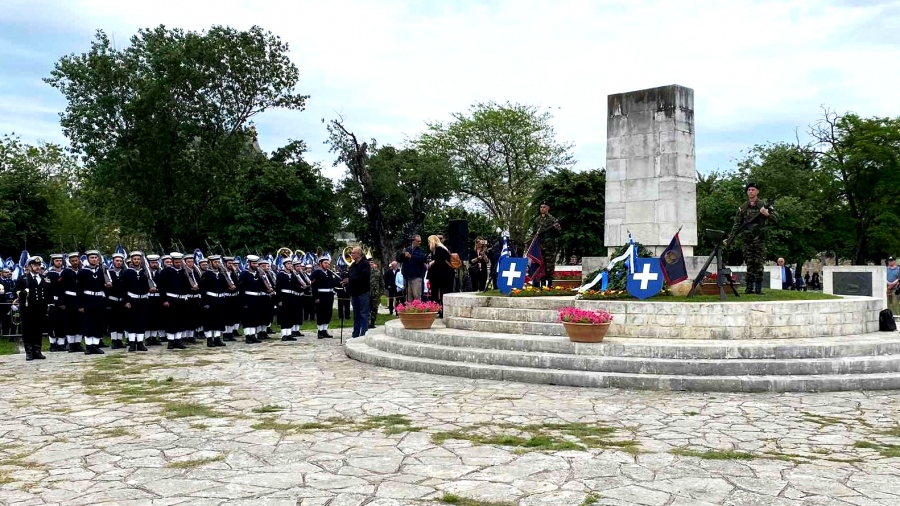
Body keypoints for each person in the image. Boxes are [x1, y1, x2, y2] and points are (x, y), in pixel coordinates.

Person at [727, 182, 775, 295]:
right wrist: (731, 237)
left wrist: (767, 214)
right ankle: (749, 288)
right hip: (747, 240)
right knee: (749, 263)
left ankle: (758, 288)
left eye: (753, 189)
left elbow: (777, 219)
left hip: (759, 239)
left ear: (757, 192)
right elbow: (737, 224)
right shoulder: (743, 207)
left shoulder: (763, 205)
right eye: (749, 190)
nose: (750, 192)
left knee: (758, 263)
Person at [14, 256, 51, 361]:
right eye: (35, 265)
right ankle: (29, 352)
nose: (38, 267)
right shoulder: (23, 278)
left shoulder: (44, 278)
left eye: (39, 265)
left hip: (40, 308)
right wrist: (22, 293)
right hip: (27, 308)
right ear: (29, 266)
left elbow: (49, 293)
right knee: (28, 330)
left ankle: (37, 351)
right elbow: (14, 290)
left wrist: (49, 304)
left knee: (38, 329)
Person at [78, 250, 111, 355]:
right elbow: (79, 289)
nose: (94, 259)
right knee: (88, 323)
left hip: (99, 300)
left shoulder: (102, 271)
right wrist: (80, 304)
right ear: (88, 259)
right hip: (87, 300)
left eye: (96, 258)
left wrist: (107, 286)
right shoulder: (83, 271)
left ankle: (95, 345)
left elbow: (106, 287)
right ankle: (88, 346)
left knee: (98, 323)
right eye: (92, 258)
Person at [122, 251, 152, 352]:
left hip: (143, 300)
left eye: (138, 259)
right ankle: (132, 343)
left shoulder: (145, 272)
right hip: (131, 300)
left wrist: (151, 288)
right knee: (132, 322)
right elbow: (123, 288)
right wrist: (126, 301)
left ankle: (140, 343)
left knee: (141, 321)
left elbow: (149, 284)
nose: (136, 261)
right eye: (134, 259)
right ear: (131, 260)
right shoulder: (127, 272)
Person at [157, 252, 188, 350]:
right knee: (171, 320)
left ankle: (178, 340)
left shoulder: (184, 272)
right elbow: (161, 287)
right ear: (173, 262)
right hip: (170, 299)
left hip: (182, 299)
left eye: (180, 262)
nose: (178, 264)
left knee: (180, 320)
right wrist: (164, 299)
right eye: (176, 262)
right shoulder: (166, 272)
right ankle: (170, 341)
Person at [342, 247, 371, 338]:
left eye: (353, 253)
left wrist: (350, 279)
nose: (352, 255)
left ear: (359, 254)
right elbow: (350, 275)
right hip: (354, 292)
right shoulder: (353, 265)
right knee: (356, 314)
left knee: (363, 313)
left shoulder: (365, 264)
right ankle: (355, 333)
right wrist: (345, 279)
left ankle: (363, 333)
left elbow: (363, 277)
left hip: (363, 292)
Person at [532, 201, 561, 288]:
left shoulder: (553, 220)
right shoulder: (537, 220)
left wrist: (557, 228)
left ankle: (549, 284)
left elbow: (559, 233)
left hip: (549, 247)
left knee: (549, 265)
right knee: (541, 265)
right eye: (541, 207)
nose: (542, 209)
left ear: (548, 208)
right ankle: (542, 284)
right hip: (539, 246)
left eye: (544, 207)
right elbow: (533, 233)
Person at [310, 256, 339, 339]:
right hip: (321, 295)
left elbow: (333, 283)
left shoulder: (329, 273)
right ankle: (320, 331)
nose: (327, 265)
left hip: (329, 295)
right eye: (325, 263)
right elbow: (314, 286)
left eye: (328, 263)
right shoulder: (316, 273)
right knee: (320, 313)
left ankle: (325, 330)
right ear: (320, 263)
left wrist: (341, 282)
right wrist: (316, 297)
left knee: (328, 313)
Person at [427, 235, 454, 316]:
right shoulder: (441, 249)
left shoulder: (439, 249)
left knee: (442, 293)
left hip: (442, 276)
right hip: (443, 275)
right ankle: (441, 310)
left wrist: (433, 262)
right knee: (441, 293)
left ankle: (441, 311)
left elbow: (440, 262)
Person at [45, 254, 67, 351]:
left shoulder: (65, 272)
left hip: (63, 300)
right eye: (57, 260)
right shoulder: (49, 273)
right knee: (51, 323)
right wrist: (49, 301)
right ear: (53, 261)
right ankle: (53, 344)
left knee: (62, 322)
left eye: (60, 260)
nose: (59, 262)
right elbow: (46, 288)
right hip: (52, 300)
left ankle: (61, 343)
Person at [275, 258, 299, 342]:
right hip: (284, 297)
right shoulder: (280, 274)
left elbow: (296, 285)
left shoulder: (293, 274)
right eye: (288, 264)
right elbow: (278, 288)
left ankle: (289, 334)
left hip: (291, 297)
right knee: (284, 316)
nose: (290, 265)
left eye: (291, 264)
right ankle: (284, 334)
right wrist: (279, 300)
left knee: (291, 315)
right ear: (284, 265)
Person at [107, 253, 127, 349]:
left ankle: (119, 340)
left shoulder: (125, 273)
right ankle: (114, 340)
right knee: (113, 322)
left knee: (121, 321)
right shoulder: (108, 273)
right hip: (112, 301)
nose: (119, 263)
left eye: (120, 261)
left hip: (122, 301)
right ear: (113, 261)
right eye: (117, 261)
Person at [398, 235, 426, 302]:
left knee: (416, 296)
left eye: (420, 241)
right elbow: (399, 260)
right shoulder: (407, 249)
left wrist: (411, 256)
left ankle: (418, 310)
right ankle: (409, 311)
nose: (419, 242)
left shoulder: (421, 250)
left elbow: (422, 259)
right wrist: (402, 254)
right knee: (408, 298)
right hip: (407, 277)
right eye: (418, 241)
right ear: (413, 241)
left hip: (416, 277)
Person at [368, 257, 383, 329]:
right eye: (369, 263)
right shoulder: (365, 271)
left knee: (374, 308)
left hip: (376, 293)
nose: (371, 264)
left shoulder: (378, 271)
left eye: (372, 262)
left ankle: (372, 323)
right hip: (367, 293)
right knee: (367, 308)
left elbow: (381, 282)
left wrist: (381, 292)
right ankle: (367, 322)